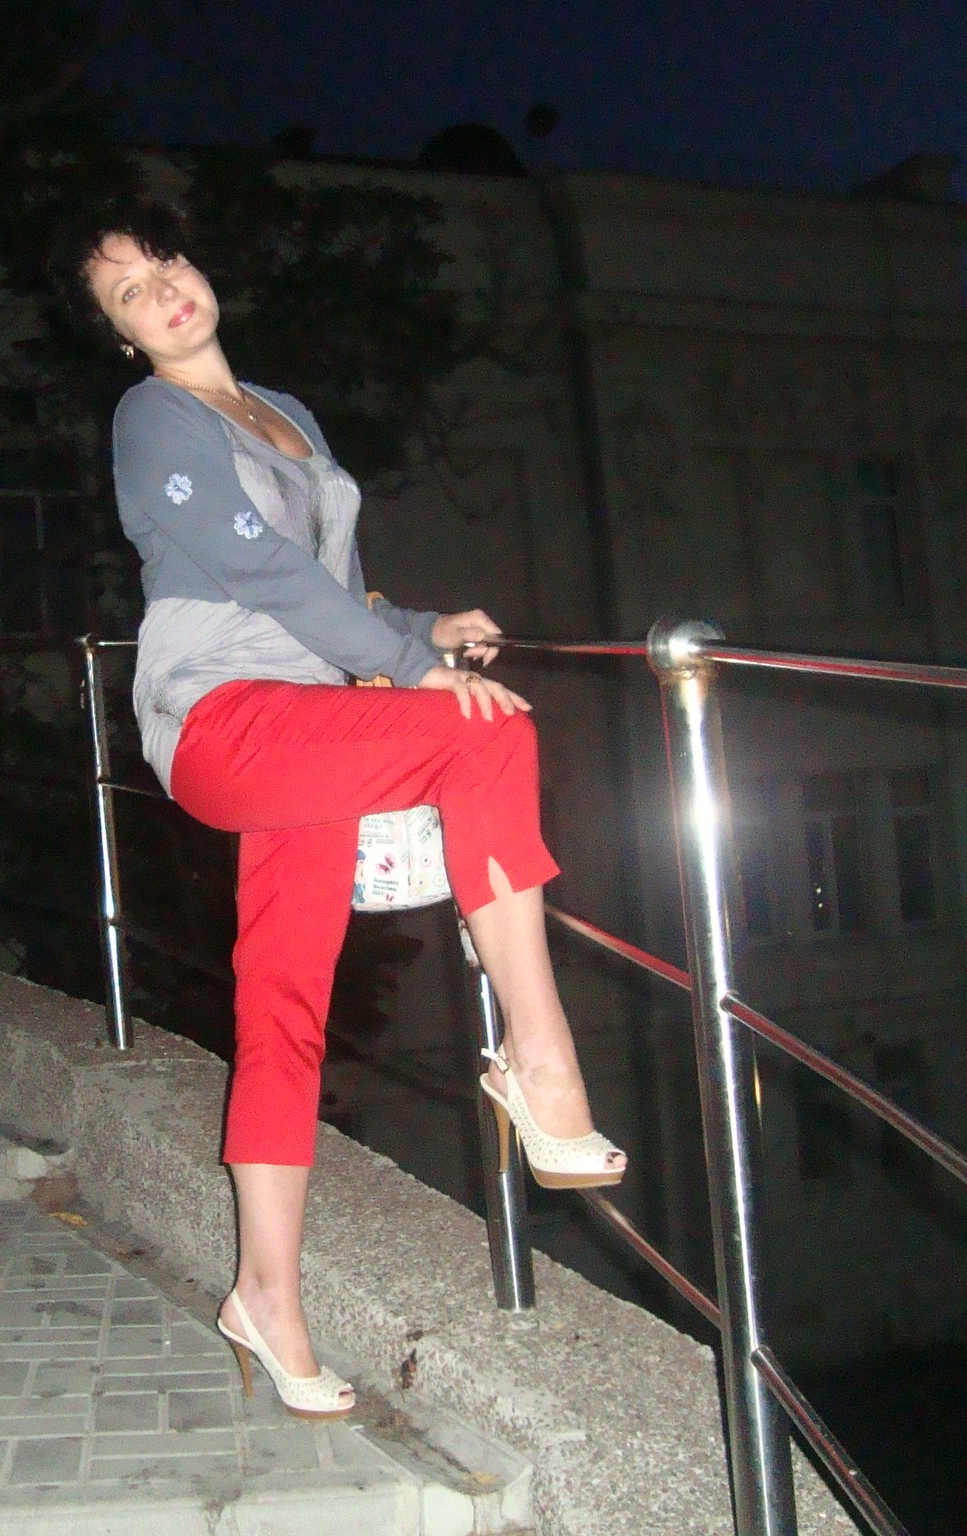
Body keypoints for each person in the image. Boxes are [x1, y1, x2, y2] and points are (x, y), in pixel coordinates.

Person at [70, 210, 626, 1422]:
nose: (160, 292)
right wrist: (416, 673)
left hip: (310, 717)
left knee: (282, 998)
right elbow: (252, 569)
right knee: (488, 733)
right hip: (219, 714)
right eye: (127, 294)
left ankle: (262, 1295)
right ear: (119, 336)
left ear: (197, 263)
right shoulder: (152, 418)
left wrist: (416, 629)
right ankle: (539, 1062)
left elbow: (328, 582)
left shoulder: (282, 411)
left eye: (165, 263)